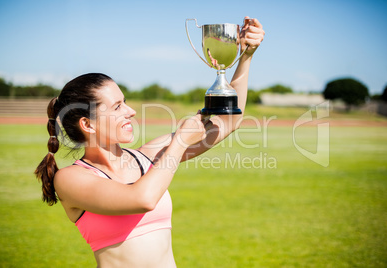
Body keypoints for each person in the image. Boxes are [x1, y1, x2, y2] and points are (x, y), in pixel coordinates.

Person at [35, 16, 264, 268]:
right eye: (117, 106)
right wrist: (179, 143)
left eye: (126, 102)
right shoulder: (70, 179)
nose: (131, 111)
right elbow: (143, 198)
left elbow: (229, 122)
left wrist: (246, 57)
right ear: (88, 124)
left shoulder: (147, 156)